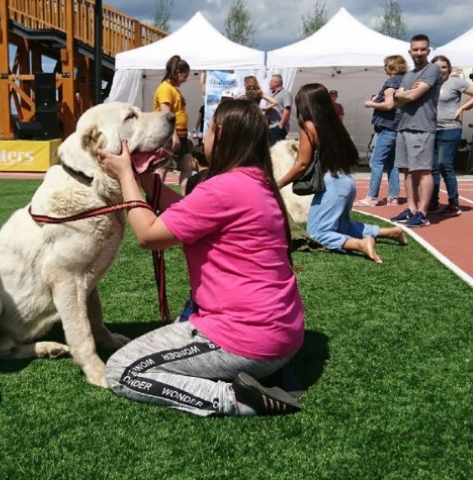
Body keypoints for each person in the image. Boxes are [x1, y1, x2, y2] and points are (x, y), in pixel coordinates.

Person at [97, 99, 305, 417]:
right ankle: (263, 371)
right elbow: (186, 209)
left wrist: (126, 176)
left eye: (208, 128)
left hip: (248, 339)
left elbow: (148, 235)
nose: (204, 135)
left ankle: (238, 398)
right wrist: (146, 180)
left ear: (220, 134)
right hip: (282, 333)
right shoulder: (252, 181)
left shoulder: (223, 188)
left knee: (122, 370)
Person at [276, 84, 406, 264]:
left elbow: (302, 163)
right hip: (345, 181)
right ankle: (390, 232)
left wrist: (278, 183)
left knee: (317, 234)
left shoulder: (308, 125)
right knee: (341, 226)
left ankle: (360, 244)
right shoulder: (334, 123)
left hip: (331, 184)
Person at [390, 34, 443, 228]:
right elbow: (396, 101)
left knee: (423, 171)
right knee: (407, 171)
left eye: (422, 49)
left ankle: (422, 212)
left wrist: (402, 94)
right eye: (415, 49)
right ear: (410, 52)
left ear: (428, 51)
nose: (419, 53)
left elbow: (412, 96)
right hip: (403, 126)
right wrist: (402, 94)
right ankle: (411, 209)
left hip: (422, 127)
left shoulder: (433, 70)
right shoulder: (408, 75)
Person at [355, 55, 407, 207]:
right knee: (392, 164)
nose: (384, 68)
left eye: (386, 65)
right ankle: (393, 196)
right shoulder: (405, 81)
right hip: (398, 127)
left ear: (392, 66)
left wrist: (371, 104)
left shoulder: (391, 82)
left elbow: (389, 105)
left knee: (376, 162)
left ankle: (371, 197)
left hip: (387, 127)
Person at [428, 55, 473, 216]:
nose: (440, 70)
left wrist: (462, 109)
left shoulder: (456, 82)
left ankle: (453, 204)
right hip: (431, 130)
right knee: (432, 168)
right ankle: (432, 203)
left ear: (449, 68)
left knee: (444, 164)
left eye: (444, 67)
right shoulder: (428, 84)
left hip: (450, 129)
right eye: (437, 67)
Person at [153, 55, 193, 193]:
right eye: (184, 76)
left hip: (181, 134)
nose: (185, 79)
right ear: (177, 73)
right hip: (169, 135)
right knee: (162, 168)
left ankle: (184, 200)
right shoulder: (165, 88)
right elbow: (166, 114)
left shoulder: (175, 89)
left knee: (188, 167)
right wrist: (173, 135)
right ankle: (154, 201)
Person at [265, 74, 292, 144]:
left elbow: (287, 110)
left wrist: (281, 125)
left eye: (271, 82)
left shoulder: (285, 93)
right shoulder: (271, 93)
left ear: (276, 83)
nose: (269, 84)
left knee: (275, 149)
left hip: (277, 127)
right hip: (270, 126)